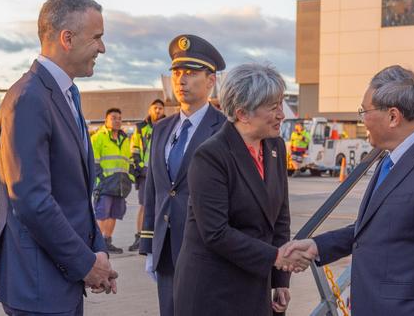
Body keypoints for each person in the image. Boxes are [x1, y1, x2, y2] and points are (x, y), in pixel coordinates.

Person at [284, 65, 414, 315]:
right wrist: (318, 246)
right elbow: (377, 228)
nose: (362, 120)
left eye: (364, 111)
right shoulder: (390, 158)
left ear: (393, 116)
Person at [0, 0, 117, 315]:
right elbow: (32, 200)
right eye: (96, 37)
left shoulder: (67, 93)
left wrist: (98, 252)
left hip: (59, 279)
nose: (102, 48)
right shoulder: (28, 98)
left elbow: (75, 195)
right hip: (39, 284)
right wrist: (86, 264)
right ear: (66, 38)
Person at [174, 63, 313, 316]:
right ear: (242, 114)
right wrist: (277, 257)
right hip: (214, 289)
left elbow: (280, 217)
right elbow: (215, 232)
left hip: (255, 281)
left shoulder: (274, 146)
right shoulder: (211, 155)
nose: (281, 114)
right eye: (273, 108)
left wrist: (280, 280)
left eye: (280, 105)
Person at [139, 34, 227, 316]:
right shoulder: (162, 128)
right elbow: (155, 191)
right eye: (177, 72)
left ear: (211, 80)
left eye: (190, 73)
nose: (181, 80)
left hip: (206, 250)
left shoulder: (225, 129)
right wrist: (149, 245)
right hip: (166, 248)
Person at [91, 108, 134, 254]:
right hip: (105, 183)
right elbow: (93, 161)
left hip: (121, 184)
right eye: (113, 118)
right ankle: (97, 245)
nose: (117, 121)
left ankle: (107, 241)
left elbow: (128, 161)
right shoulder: (98, 138)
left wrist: (130, 179)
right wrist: (100, 179)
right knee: (101, 214)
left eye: (119, 118)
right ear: (106, 120)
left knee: (114, 214)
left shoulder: (124, 139)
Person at [128, 99, 165, 252]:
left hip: (162, 171)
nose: (158, 111)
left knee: (162, 204)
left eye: (160, 108)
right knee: (145, 205)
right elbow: (134, 149)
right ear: (150, 110)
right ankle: (140, 236)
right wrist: (139, 169)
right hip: (146, 172)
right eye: (155, 108)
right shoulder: (140, 127)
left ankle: (160, 235)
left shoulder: (169, 124)